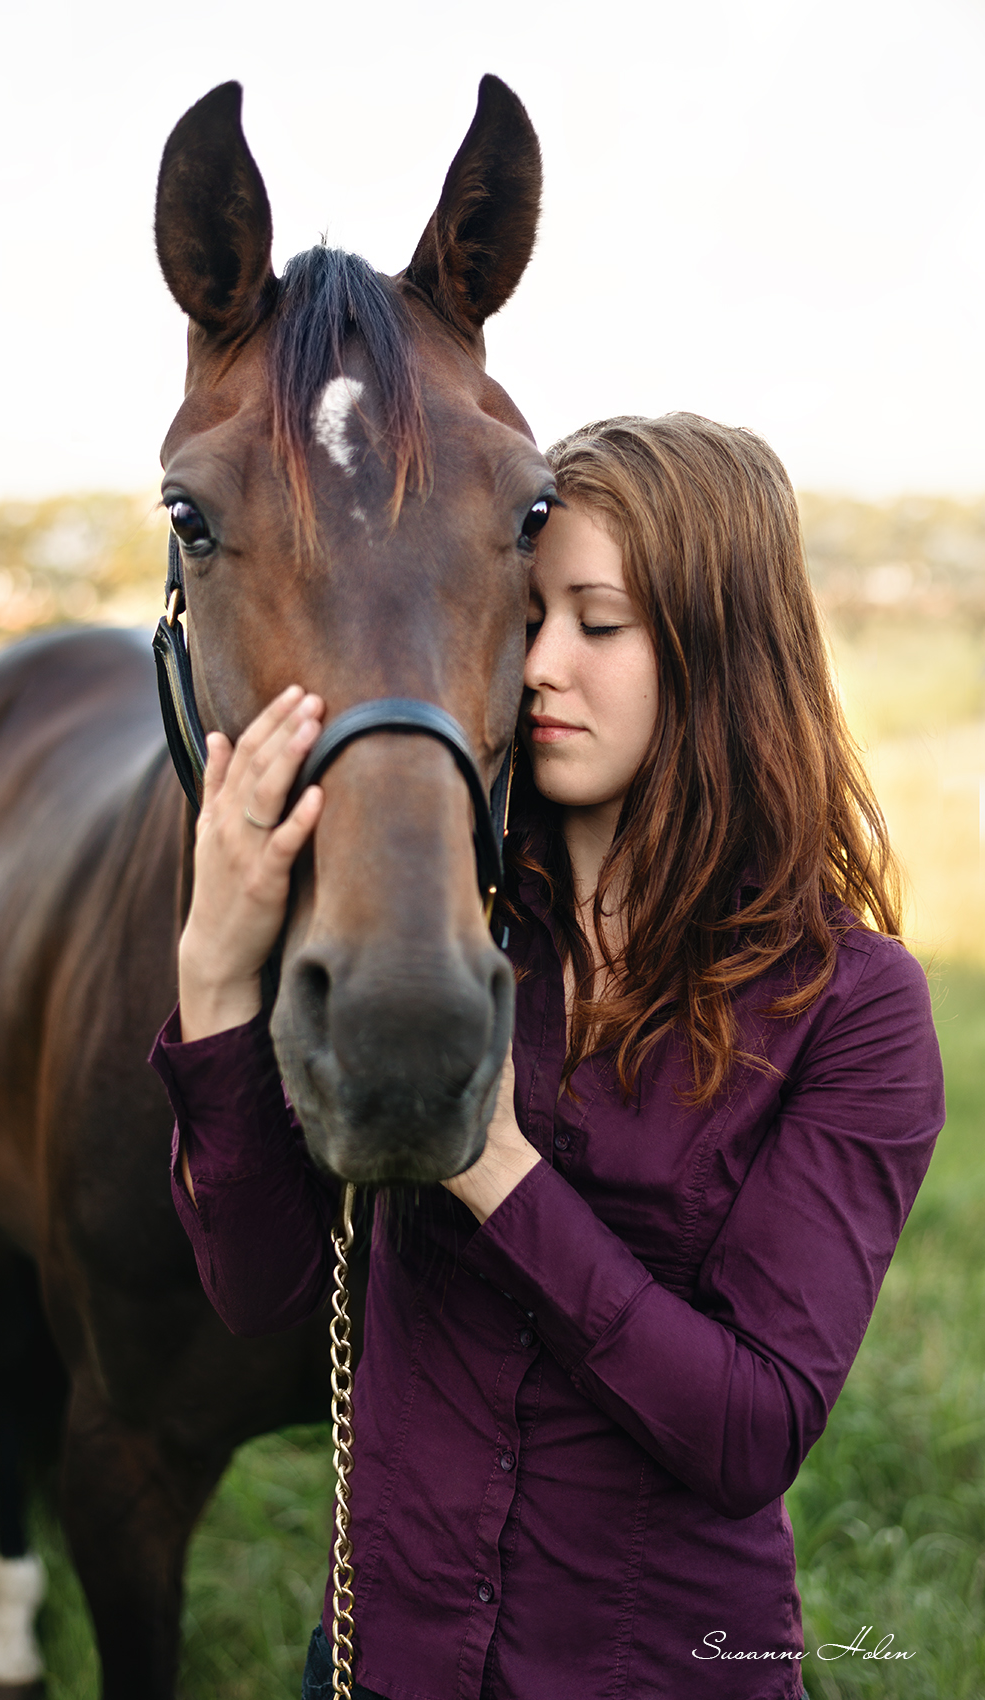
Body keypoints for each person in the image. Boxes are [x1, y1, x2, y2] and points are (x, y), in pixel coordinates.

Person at [150, 413, 944, 1700]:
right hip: (378, 1662)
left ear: (720, 650)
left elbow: (749, 1429)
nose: (539, 665)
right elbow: (261, 1289)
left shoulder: (850, 1008)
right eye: (526, 616)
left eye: (600, 622)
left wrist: (488, 1164)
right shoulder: (445, 943)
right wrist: (215, 973)